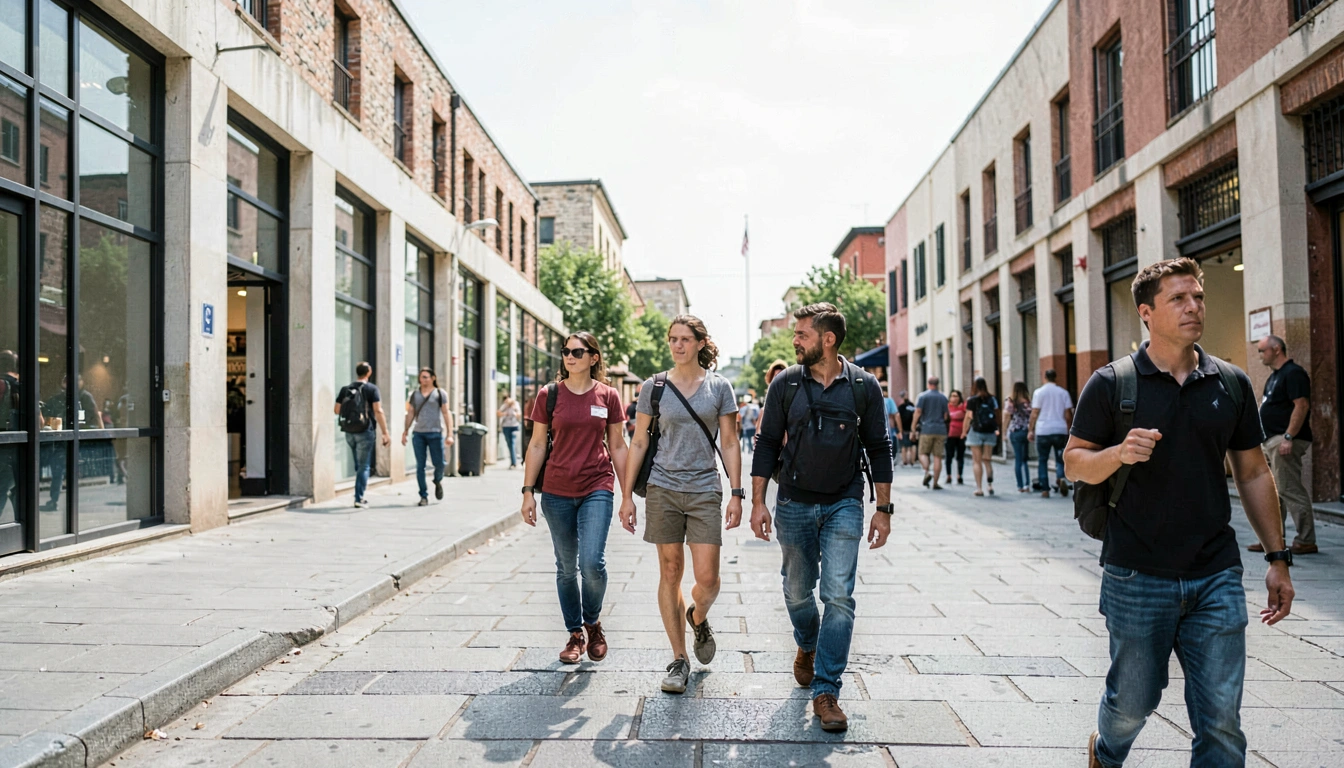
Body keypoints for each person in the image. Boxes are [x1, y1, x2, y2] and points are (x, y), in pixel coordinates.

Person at [1064, 258, 1294, 768]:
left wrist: (1278, 557)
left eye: (1198, 297)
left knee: (1221, 722)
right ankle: (1105, 752)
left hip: (1216, 573)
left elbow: (1254, 472)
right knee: (1133, 705)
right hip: (1136, 573)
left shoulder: (1230, 382)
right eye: (1178, 299)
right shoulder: (1112, 384)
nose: (1194, 307)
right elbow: (1075, 462)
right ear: (1147, 312)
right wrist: (1118, 453)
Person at [750, 302, 893, 733]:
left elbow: (879, 448)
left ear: (827, 340)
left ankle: (827, 690)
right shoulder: (785, 385)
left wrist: (882, 509)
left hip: (844, 502)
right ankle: (807, 643)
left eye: (802, 334)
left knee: (839, 596)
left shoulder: (864, 387)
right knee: (796, 592)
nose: (794, 340)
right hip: (793, 502)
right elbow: (767, 443)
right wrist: (758, 501)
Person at [620, 315, 742, 694]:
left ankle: (697, 615)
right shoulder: (653, 387)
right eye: (672, 339)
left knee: (707, 578)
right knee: (670, 571)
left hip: (705, 488)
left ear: (701, 343)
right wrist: (626, 497)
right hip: (662, 487)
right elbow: (639, 442)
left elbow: (731, 442)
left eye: (685, 339)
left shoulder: (719, 387)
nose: (677, 345)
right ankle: (678, 659)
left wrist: (737, 493)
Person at [520, 332, 628, 665]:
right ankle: (575, 634)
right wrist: (527, 493)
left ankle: (592, 622)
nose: (569, 356)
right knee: (566, 568)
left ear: (593, 357)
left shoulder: (609, 396)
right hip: (556, 491)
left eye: (577, 351)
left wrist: (628, 497)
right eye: (565, 351)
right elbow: (538, 444)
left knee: (592, 564)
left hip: (598, 485)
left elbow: (618, 445)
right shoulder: (548, 395)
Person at [1252, 334, 1317, 555]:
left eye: (1262, 351)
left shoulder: (1294, 373)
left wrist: (1288, 436)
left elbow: (1301, 405)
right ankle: (1272, 540)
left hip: (1284, 439)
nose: (1260, 355)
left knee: (1289, 489)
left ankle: (1306, 539)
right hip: (1270, 441)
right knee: (1272, 492)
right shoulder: (1275, 377)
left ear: (1277, 349)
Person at [334, 361, 391, 508]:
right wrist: (385, 432)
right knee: (364, 466)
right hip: (365, 431)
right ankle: (359, 498)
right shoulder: (372, 389)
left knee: (359, 465)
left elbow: (336, 410)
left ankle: (358, 491)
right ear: (369, 372)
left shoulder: (345, 389)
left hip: (349, 432)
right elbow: (378, 411)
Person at [41, 375, 102, 511]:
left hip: (75, 439)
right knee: (59, 471)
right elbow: (51, 418)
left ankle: (63, 501)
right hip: (62, 440)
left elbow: (95, 415)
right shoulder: (59, 399)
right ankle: (57, 500)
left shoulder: (84, 397)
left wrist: (100, 433)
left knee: (64, 471)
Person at [402, 368, 455, 506]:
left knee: (439, 464)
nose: (423, 380)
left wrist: (450, 434)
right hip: (418, 433)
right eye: (421, 377)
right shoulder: (415, 394)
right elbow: (410, 413)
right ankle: (423, 496)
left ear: (432, 378)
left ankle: (437, 480)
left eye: (426, 377)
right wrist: (405, 430)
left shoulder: (439, 393)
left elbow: (446, 413)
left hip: (435, 433)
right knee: (420, 466)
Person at [1029, 369, 1074, 498]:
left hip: (1043, 430)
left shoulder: (1039, 392)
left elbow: (1035, 413)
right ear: (1056, 378)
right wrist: (1069, 429)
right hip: (1060, 430)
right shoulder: (1063, 393)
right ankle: (1061, 479)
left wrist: (1030, 430)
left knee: (1042, 460)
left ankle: (1045, 489)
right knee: (1060, 459)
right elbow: (1068, 414)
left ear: (1045, 378)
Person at [911, 377, 949, 490]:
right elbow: (946, 415)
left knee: (922, 453)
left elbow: (918, 412)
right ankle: (935, 483)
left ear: (928, 384)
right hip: (940, 429)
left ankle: (927, 471)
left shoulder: (923, 396)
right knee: (937, 456)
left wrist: (913, 427)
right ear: (938, 384)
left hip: (926, 429)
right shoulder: (943, 397)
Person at [964, 377, 998, 496]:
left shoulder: (972, 400)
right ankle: (990, 486)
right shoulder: (992, 399)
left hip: (976, 431)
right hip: (990, 432)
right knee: (987, 460)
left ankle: (979, 488)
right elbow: (995, 415)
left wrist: (964, 431)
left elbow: (968, 417)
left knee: (977, 461)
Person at [1003, 381, 1033, 493]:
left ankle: (1020, 485)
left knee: (1018, 459)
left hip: (1015, 431)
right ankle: (1027, 485)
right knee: (1025, 459)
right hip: (1025, 431)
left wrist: (1004, 432)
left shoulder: (1010, 401)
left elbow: (1006, 416)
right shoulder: (1028, 402)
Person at [944, 389, 966, 485]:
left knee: (960, 456)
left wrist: (952, 416)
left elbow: (966, 415)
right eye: (952, 396)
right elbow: (945, 417)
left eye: (956, 396)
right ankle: (949, 475)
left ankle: (959, 475)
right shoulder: (947, 406)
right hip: (950, 434)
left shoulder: (963, 406)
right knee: (949, 456)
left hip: (961, 434)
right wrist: (957, 415)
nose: (954, 398)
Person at [497, 395, 522, 469]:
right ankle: (513, 462)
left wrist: (514, 412)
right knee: (509, 443)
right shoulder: (504, 406)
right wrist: (505, 414)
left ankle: (514, 463)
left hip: (514, 426)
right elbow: (498, 413)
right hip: (506, 426)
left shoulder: (515, 405)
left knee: (512, 443)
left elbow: (519, 415)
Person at [896, 390, 917, 466]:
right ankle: (912, 461)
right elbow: (915, 415)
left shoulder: (900, 407)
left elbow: (898, 417)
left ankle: (905, 461)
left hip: (903, 429)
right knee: (913, 445)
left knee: (904, 446)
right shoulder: (912, 405)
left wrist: (899, 429)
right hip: (912, 428)